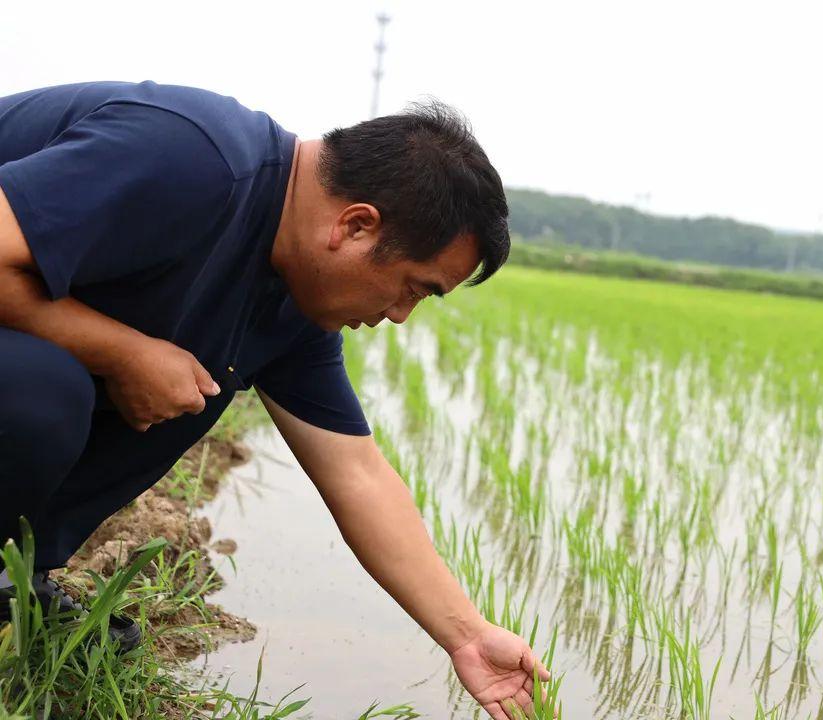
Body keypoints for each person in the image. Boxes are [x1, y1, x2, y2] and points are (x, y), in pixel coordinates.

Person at [0, 81, 548, 720]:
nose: (400, 316)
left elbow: (356, 473)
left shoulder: (291, 300)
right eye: (413, 289)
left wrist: (468, 634)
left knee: (186, 378)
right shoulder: (190, 157)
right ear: (355, 224)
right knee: (44, 391)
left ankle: (17, 571)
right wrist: (121, 352)